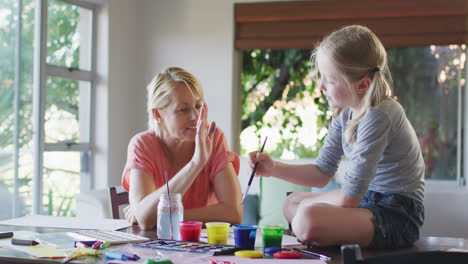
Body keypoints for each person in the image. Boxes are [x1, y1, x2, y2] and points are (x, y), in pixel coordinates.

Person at [249, 25, 425, 249]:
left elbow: (348, 199)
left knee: (306, 217)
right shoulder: (345, 113)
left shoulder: (379, 115)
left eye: (330, 80)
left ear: (362, 85)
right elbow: (322, 173)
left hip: (396, 214)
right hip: (366, 202)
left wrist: (312, 206)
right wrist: (273, 168)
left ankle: (317, 233)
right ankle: (321, 233)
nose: (320, 86)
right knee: (291, 203)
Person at [122, 66, 243, 230]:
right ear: (158, 115)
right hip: (159, 248)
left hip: (205, 247)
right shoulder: (142, 145)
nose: (195, 116)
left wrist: (165, 215)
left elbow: (234, 213)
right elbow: (145, 220)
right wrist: (196, 164)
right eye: (183, 109)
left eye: (198, 106)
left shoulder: (213, 139)